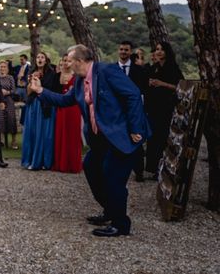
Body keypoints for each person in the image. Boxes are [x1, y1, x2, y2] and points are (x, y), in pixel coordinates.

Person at [29, 45, 150, 237]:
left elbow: (133, 94)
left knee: (113, 177)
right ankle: (110, 210)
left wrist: (136, 128)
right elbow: (64, 101)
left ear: (79, 61)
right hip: (100, 139)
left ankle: (121, 224)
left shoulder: (107, 71)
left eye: (69, 60)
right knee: (91, 166)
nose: (66, 63)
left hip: (121, 135)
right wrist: (40, 90)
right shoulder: (79, 81)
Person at [145, 42, 183, 180]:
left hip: (167, 107)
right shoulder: (154, 67)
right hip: (154, 107)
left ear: (167, 52)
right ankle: (153, 168)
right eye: (157, 49)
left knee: (163, 138)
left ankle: (164, 169)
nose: (158, 52)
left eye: (161, 49)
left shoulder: (172, 68)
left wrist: (162, 84)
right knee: (153, 138)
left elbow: (180, 86)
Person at [117, 41, 149, 182]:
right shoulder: (112, 69)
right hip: (117, 111)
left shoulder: (139, 70)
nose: (123, 52)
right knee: (117, 138)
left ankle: (139, 171)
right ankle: (118, 169)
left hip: (135, 110)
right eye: (121, 49)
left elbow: (144, 90)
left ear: (131, 52)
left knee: (137, 139)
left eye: (126, 50)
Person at [21, 52, 57, 170]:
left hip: (45, 106)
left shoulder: (51, 74)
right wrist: (31, 81)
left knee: (44, 134)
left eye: (42, 57)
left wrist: (39, 84)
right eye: (38, 57)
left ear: (46, 60)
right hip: (33, 105)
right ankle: (30, 160)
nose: (40, 59)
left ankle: (43, 162)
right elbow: (28, 92)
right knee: (32, 132)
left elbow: (51, 91)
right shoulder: (31, 72)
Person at [51, 54, 83, 173]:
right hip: (60, 107)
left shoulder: (77, 77)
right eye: (64, 61)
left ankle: (73, 164)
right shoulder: (56, 76)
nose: (66, 63)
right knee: (60, 133)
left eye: (69, 61)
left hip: (73, 108)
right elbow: (52, 91)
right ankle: (61, 163)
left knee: (72, 134)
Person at [0, 60, 18, 150]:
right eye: (1, 67)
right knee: (1, 118)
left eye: (4, 67)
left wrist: (7, 92)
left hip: (9, 99)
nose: (2, 68)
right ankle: (1, 139)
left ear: (7, 69)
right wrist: (0, 92)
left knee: (11, 118)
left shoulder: (10, 77)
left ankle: (13, 140)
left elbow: (14, 90)